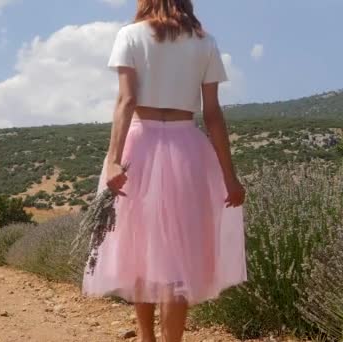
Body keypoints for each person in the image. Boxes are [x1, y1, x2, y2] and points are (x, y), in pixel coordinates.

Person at [81, 1, 247, 341]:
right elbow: (213, 114)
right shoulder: (205, 42)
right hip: (187, 147)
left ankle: (146, 338)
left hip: (139, 146)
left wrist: (113, 159)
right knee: (178, 255)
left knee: (139, 245)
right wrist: (230, 177)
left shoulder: (129, 36)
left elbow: (125, 102)